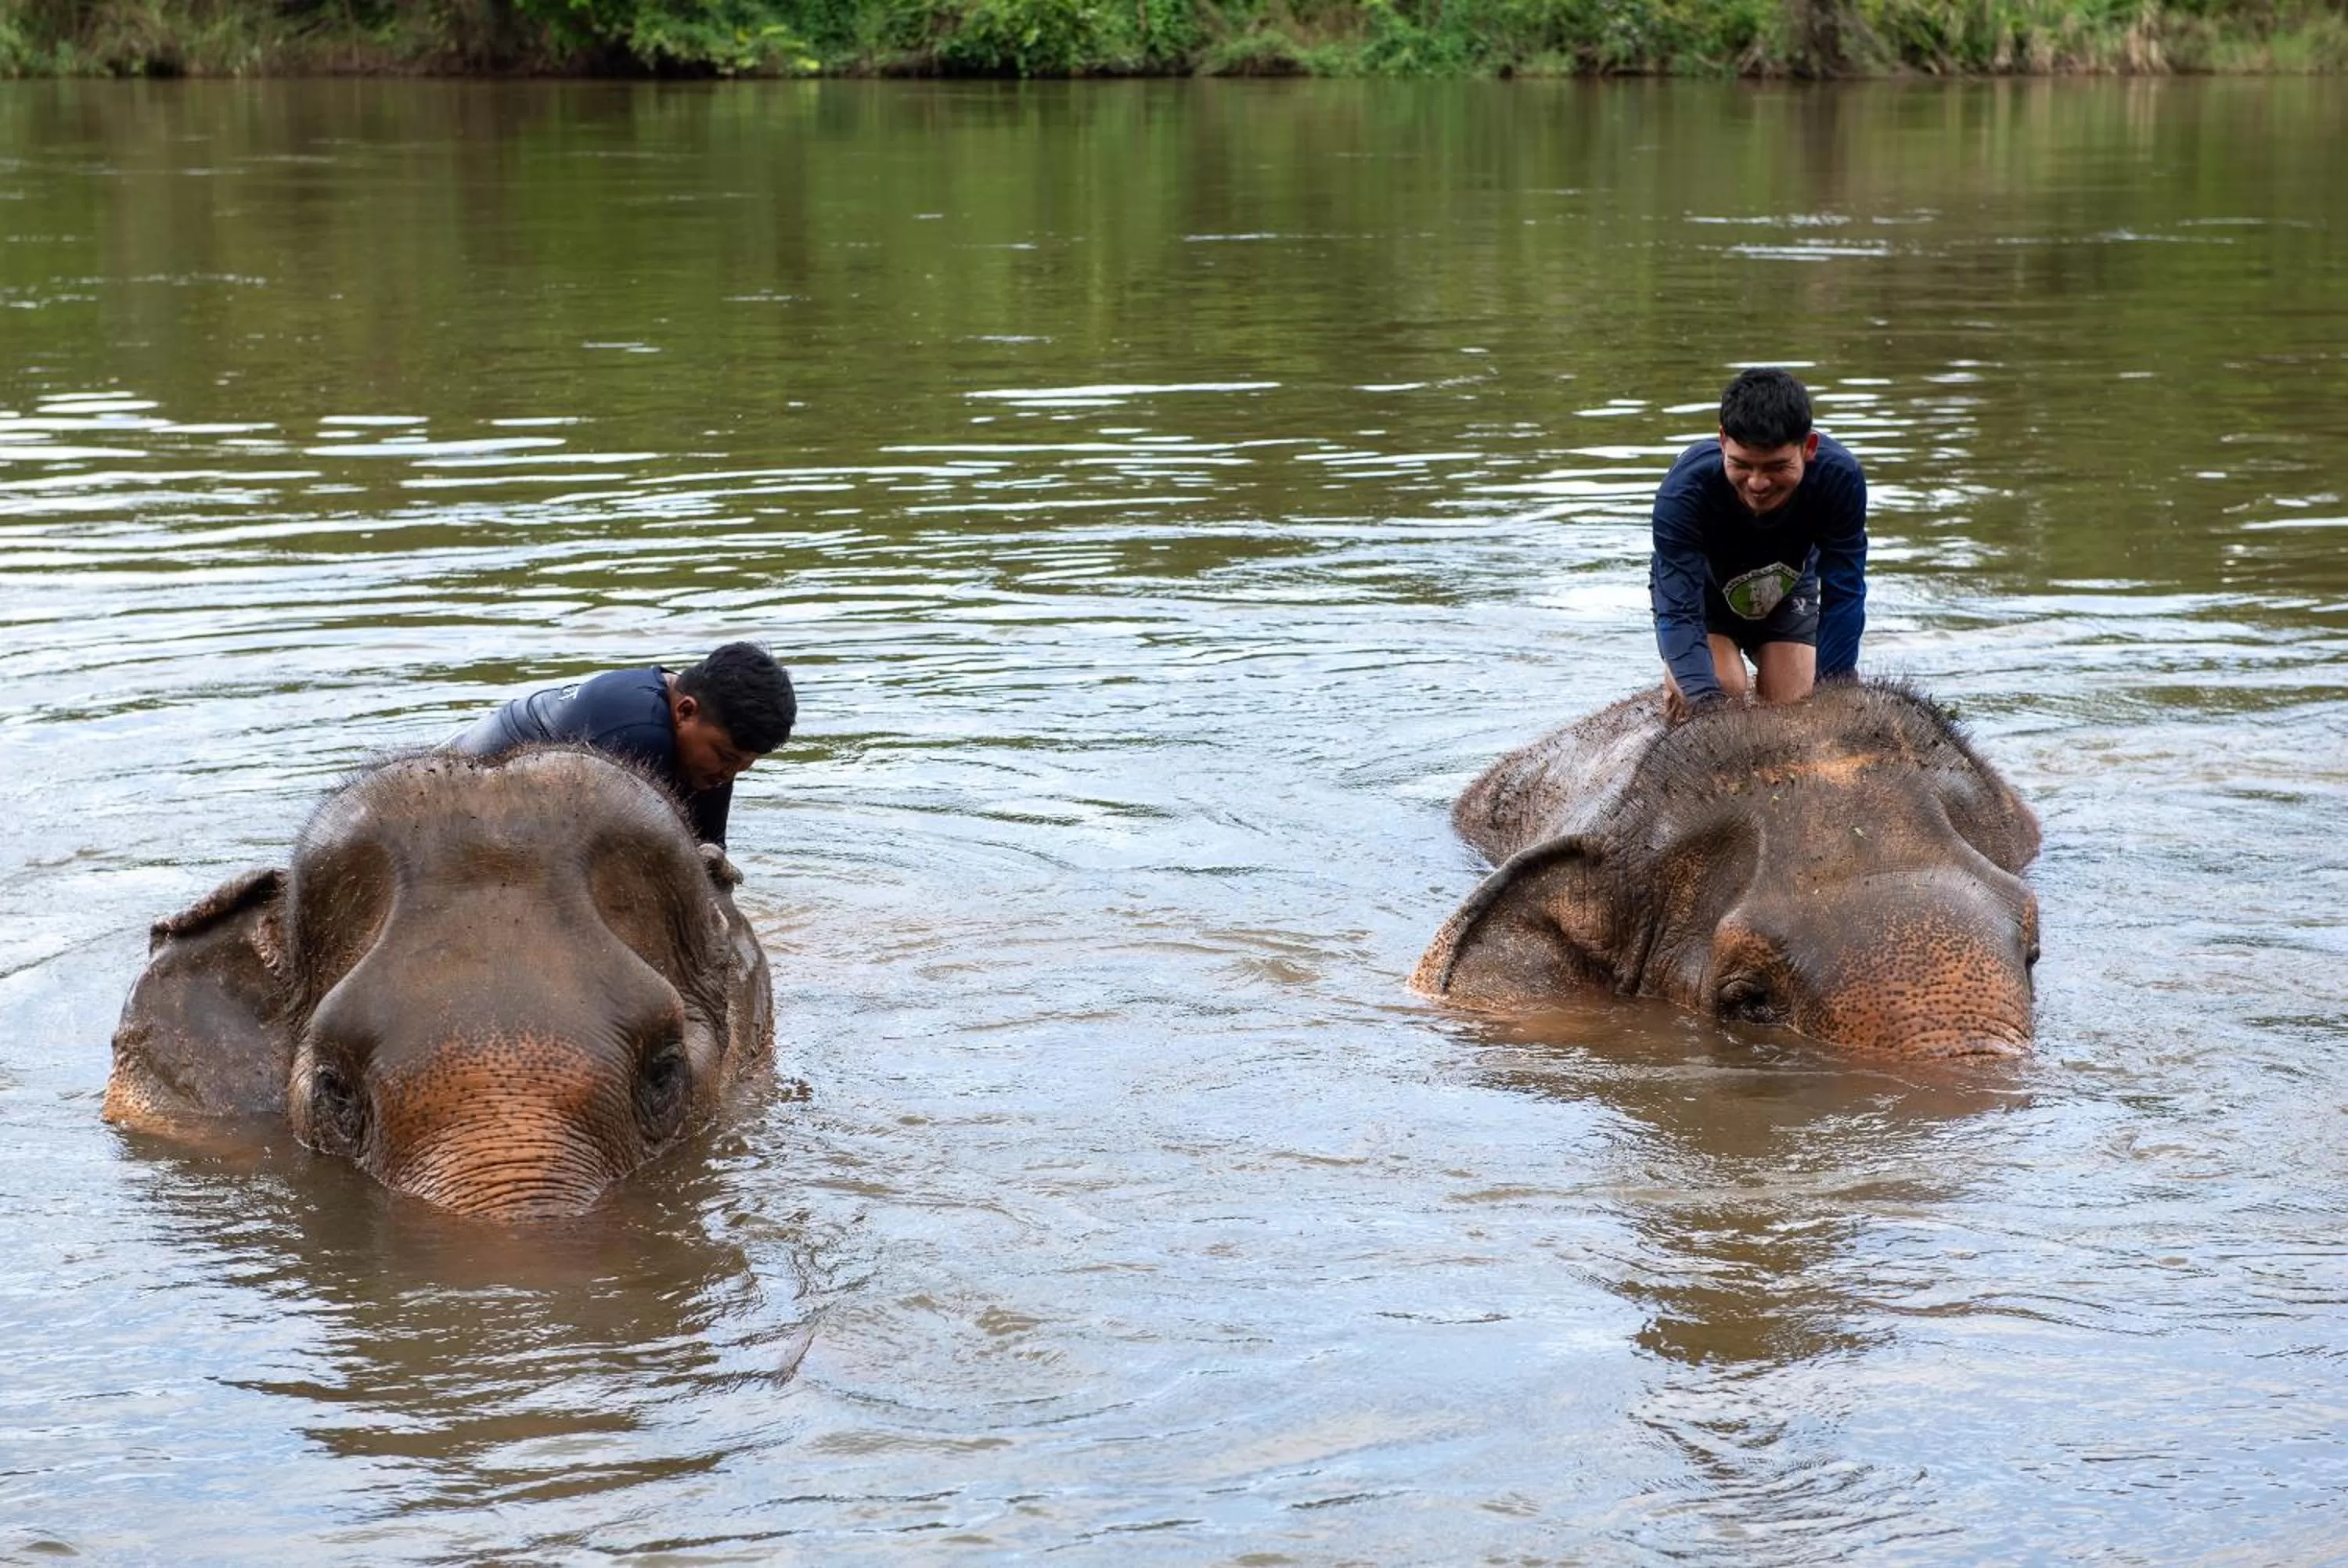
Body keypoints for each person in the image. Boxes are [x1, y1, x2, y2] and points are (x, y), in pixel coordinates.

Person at [1649, 367, 1867, 716]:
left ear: (1809, 448)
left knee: (1796, 705)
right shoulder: (1684, 492)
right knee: (1724, 689)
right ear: (1723, 441)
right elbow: (1679, 611)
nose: (1758, 484)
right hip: (1705, 600)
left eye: (1777, 467)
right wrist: (1705, 706)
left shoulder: (1839, 478)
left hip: (1787, 589)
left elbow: (1845, 591)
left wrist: (1834, 694)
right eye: (1742, 465)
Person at [449, 642, 795, 849]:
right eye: (726, 758)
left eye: (742, 766)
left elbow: (707, 853)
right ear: (685, 711)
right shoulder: (640, 735)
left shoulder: (708, 757)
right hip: (456, 791)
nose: (728, 774)